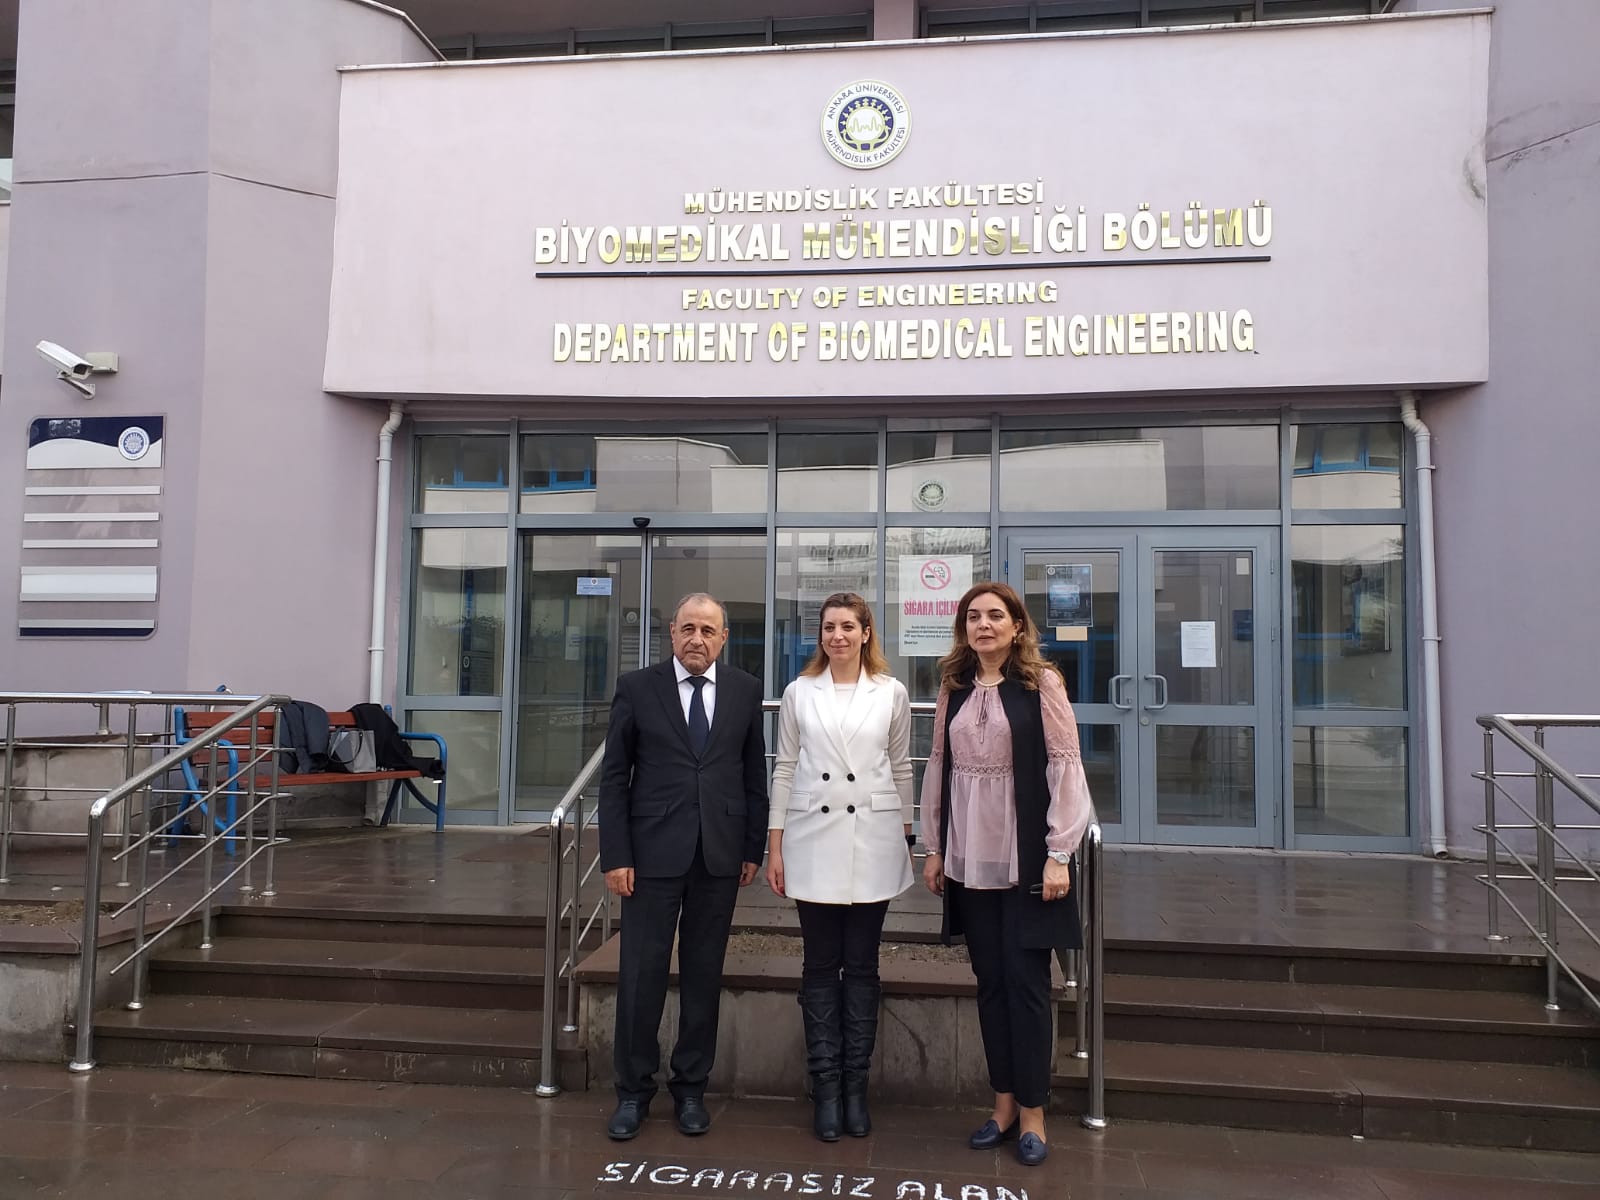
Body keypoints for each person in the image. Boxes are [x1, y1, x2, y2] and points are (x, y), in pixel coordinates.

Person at [919, 581, 1092, 1168]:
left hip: (1025, 859)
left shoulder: (1041, 684)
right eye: (974, 616)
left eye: (996, 615)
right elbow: (939, 767)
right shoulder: (955, 687)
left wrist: (1059, 853)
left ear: (1017, 626)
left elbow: (1066, 767)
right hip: (969, 858)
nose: (984, 625)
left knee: (1027, 985)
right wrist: (935, 847)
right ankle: (1003, 1105)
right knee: (990, 982)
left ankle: (1035, 1111)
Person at [599, 592, 769, 1141]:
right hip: (650, 857)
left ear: (723, 638)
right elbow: (614, 778)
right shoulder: (637, 688)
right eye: (688, 628)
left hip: (719, 856)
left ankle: (691, 1089)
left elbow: (753, 776)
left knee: (703, 975)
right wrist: (617, 855)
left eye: (708, 630)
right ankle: (633, 1092)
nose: (697, 639)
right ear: (672, 633)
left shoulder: (744, 690)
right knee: (640, 975)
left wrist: (752, 848)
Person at [766, 593, 914, 1143]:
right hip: (813, 839)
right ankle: (825, 1088)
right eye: (829, 627)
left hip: (873, 838)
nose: (838, 636)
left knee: (864, 966)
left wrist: (908, 838)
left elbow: (901, 766)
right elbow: (785, 768)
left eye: (848, 626)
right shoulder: (799, 691)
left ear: (866, 632)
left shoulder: (891, 692)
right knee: (820, 965)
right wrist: (775, 845)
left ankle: (857, 1089)